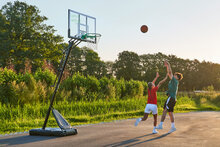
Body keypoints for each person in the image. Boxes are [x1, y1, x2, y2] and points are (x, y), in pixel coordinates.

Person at [156, 61, 183, 133]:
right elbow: (169, 73)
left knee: (165, 110)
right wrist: (167, 66)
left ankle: (161, 125)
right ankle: (173, 127)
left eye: (175, 75)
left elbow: (170, 72)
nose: (173, 76)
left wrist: (168, 64)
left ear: (177, 78)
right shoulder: (173, 81)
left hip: (171, 98)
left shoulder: (175, 81)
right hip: (172, 98)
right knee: (170, 112)